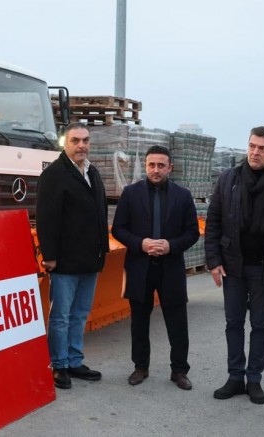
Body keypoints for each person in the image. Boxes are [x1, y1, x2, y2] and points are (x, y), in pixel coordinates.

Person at [204, 126, 264, 404]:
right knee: (233, 322)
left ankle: (254, 378)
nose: (255, 152)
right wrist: (213, 260)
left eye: (262, 148)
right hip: (232, 264)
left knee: (260, 324)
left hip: (263, 266)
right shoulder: (229, 179)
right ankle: (235, 376)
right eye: (252, 146)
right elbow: (214, 221)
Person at [111, 145, 200, 390]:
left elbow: (192, 232)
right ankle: (140, 367)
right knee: (139, 322)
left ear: (170, 167)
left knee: (177, 322)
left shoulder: (183, 196)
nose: (156, 170)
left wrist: (171, 246)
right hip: (140, 267)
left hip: (171, 268)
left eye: (161, 165)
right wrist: (141, 243)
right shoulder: (131, 194)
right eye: (152, 165)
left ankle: (179, 370)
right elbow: (118, 229)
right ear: (146, 166)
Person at [36, 122, 109, 389]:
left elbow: (100, 213)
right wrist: (50, 255)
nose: (81, 146)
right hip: (65, 261)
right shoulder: (54, 174)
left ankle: (75, 361)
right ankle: (59, 365)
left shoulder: (93, 173)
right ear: (65, 143)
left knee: (79, 314)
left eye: (85, 140)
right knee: (60, 316)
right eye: (75, 140)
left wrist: (102, 250)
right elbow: (46, 218)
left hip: (89, 259)